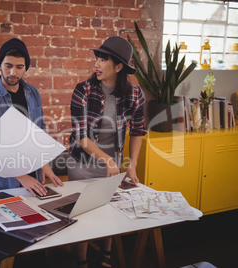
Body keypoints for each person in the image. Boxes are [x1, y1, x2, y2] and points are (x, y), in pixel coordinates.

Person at [68, 36, 147, 268]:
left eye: (103, 60)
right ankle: (81, 260)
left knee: (108, 209)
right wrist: (107, 160)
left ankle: (106, 256)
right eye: (97, 58)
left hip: (111, 165)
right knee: (82, 214)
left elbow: (138, 132)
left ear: (119, 67)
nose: (97, 64)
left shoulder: (135, 94)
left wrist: (131, 164)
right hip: (82, 163)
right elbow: (82, 138)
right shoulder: (82, 90)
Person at [0, 38, 63, 196]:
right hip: (5, 179)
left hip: (32, 173)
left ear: (25, 68)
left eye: (19, 67)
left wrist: (45, 165)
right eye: (8, 66)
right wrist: (22, 177)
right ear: (0, 65)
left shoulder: (33, 93)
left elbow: (40, 131)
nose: (13, 73)